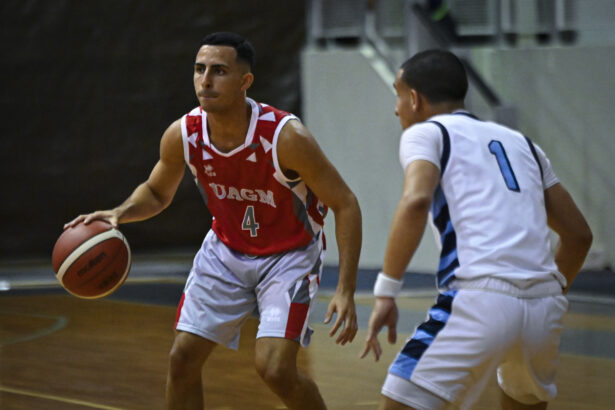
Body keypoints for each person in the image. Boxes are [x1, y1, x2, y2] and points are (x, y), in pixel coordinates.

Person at [66, 32, 362, 410]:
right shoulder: (183, 134)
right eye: (199, 69)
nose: (205, 80)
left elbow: (346, 203)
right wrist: (119, 213)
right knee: (182, 359)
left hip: (288, 257)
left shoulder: (285, 137)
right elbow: (157, 193)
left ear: (245, 82)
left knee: (275, 370)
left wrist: (346, 289)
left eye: (219, 71)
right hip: (225, 251)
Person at [360, 49, 592, 410]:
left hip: (478, 300)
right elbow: (579, 236)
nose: (396, 108)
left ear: (414, 98)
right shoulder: (523, 143)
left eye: (397, 94)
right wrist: (546, 295)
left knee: (400, 400)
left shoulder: (426, 133)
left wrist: (386, 291)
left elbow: (416, 201)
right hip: (544, 308)